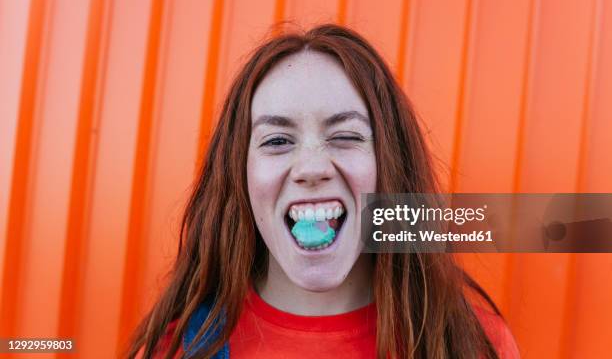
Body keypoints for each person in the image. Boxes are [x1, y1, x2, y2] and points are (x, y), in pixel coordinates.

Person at [127, 24, 520, 358]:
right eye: (277, 140)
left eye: (346, 136)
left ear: (391, 166)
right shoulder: (175, 349)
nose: (312, 168)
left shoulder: (473, 345)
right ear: (239, 176)